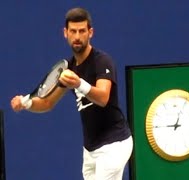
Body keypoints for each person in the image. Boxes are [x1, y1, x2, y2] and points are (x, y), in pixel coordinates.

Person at [10, 7, 133, 180]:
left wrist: (79, 83)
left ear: (90, 32)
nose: (77, 36)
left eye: (82, 31)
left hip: (115, 143)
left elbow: (103, 98)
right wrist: (27, 103)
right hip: (90, 149)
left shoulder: (102, 61)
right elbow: (47, 103)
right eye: (73, 31)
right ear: (65, 33)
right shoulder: (68, 68)